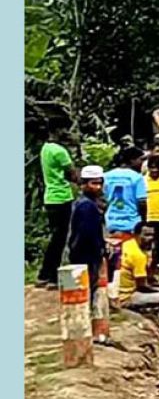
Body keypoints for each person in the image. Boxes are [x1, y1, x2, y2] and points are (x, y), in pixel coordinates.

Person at [67, 165, 112, 346]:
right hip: (85, 257)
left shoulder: (83, 203)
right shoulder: (87, 207)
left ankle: (88, 333)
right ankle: (88, 335)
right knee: (86, 296)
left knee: (86, 296)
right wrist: (100, 250)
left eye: (100, 183)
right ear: (84, 184)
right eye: (94, 184)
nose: (98, 187)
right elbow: (88, 235)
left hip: (80, 255)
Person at [37, 120, 77, 289]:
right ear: (57, 130)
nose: (67, 132)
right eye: (64, 128)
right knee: (62, 240)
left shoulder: (45, 149)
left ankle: (44, 275)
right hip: (62, 197)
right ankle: (55, 278)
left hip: (50, 198)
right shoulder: (60, 151)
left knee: (55, 238)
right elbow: (72, 174)